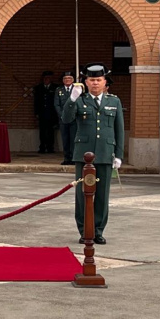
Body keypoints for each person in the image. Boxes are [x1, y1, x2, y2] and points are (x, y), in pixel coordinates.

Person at [62, 64, 124, 245]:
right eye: (92, 80)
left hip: (105, 153)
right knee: (82, 195)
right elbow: (66, 119)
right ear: (86, 82)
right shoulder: (80, 100)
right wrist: (71, 99)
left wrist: (118, 154)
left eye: (98, 80)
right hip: (83, 153)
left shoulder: (114, 101)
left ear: (105, 82)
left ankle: (98, 230)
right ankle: (84, 230)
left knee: (102, 195)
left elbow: (119, 129)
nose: (95, 83)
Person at [54, 70, 78, 165]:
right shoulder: (59, 90)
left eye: (69, 78)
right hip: (63, 119)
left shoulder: (77, 89)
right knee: (65, 139)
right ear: (63, 80)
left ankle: (73, 158)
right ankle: (66, 158)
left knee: (73, 139)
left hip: (74, 119)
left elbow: (78, 103)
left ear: (73, 80)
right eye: (65, 78)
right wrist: (62, 115)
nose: (67, 80)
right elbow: (56, 104)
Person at [33, 70, 59, 154]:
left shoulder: (56, 88)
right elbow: (36, 101)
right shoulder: (38, 88)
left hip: (52, 113)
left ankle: (50, 147)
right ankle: (42, 147)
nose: (46, 79)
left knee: (51, 131)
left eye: (48, 78)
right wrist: (36, 113)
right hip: (42, 113)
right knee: (42, 131)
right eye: (45, 78)